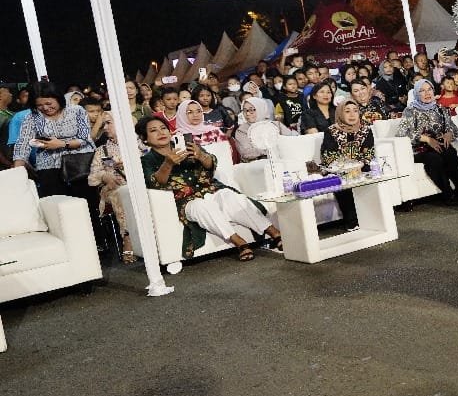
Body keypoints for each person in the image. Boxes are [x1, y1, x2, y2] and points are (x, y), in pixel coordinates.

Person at [137, 116, 281, 261]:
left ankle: (274, 233)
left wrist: (200, 155)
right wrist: (167, 164)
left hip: (211, 189)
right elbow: (154, 183)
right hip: (186, 201)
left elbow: (212, 164)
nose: (161, 133)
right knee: (201, 206)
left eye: (163, 128)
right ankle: (239, 242)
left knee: (230, 196)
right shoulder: (146, 160)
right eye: (153, 131)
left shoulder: (188, 146)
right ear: (145, 139)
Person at [12, 83, 96, 200]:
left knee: (87, 205)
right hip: (49, 169)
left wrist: (62, 144)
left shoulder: (77, 111)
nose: (45, 108)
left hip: (80, 165)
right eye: (39, 105)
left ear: (58, 99)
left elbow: (85, 138)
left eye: (48, 103)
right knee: (55, 208)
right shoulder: (32, 117)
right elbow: (22, 144)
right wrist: (17, 172)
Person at [398, 79, 458, 203]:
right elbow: (402, 134)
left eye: (429, 89)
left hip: (439, 145)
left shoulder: (440, 108)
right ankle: (448, 194)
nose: (427, 93)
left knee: (450, 153)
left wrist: (449, 133)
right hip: (419, 149)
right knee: (434, 159)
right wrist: (426, 139)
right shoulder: (410, 110)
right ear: (416, 94)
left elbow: (453, 128)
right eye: (422, 91)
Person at [320, 99, 376, 229]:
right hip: (339, 168)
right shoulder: (331, 131)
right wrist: (348, 166)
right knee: (341, 181)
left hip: (362, 166)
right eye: (347, 111)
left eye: (355, 111)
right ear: (340, 113)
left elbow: (369, 152)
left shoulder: (366, 129)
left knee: (371, 174)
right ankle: (352, 222)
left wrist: (359, 165)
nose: (352, 115)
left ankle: (372, 218)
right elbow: (329, 155)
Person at [88, 112, 135, 262]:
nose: (105, 127)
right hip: (114, 188)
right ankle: (127, 238)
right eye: (104, 125)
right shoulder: (102, 151)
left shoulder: (137, 144)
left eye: (109, 123)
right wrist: (104, 176)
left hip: (138, 185)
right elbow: (92, 177)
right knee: (120, 193)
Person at [233, 96, 296, 162]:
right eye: (245, 110)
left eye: (252, 110)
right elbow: (246, 153)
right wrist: (270, 150)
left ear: (261, 109)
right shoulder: (242, 130)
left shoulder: (276, 125)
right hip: (256, 164)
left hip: (281, 160)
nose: (247, 114)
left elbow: (291, 141)